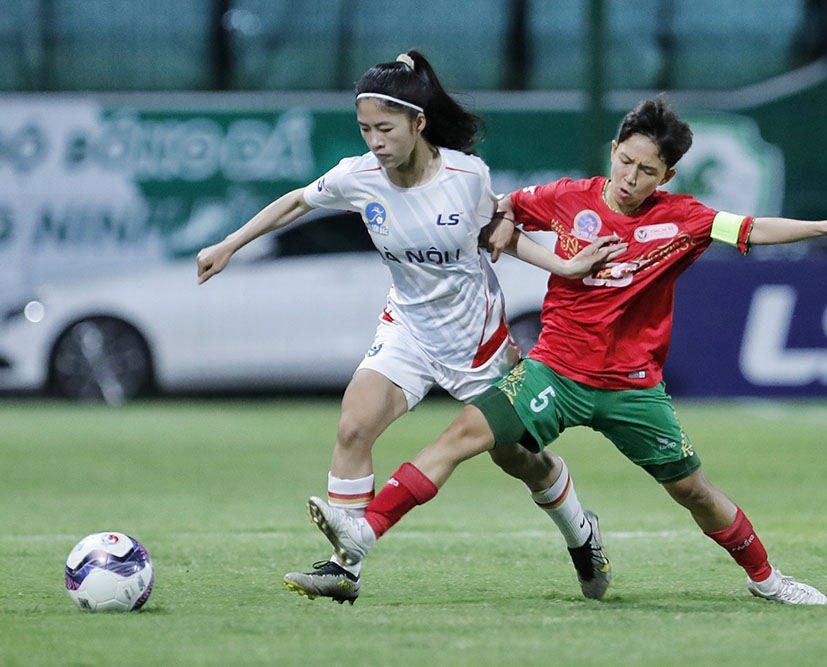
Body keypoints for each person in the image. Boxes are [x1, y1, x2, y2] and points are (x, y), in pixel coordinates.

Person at [305, 94, 827, 605]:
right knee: (460, 438)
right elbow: (498, 203)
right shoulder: (566, 198)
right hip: (552, 372)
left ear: (668, 176)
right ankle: (363, 535)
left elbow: (753, 229)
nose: (631, 177)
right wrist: (505, 221)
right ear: (613, 149)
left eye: (647, 171)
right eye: (625, 161)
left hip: (632, 387)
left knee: (693, 491)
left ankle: (768, 579)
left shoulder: (684, 220)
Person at [196, 51, 625, 604]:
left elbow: (502, 232)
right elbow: (296, 203)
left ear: (418, 123)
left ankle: (580, 533)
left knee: (518, 458)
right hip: (409, 330)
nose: (375, 141)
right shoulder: (358, 177)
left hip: (478, 341)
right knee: (354, 424)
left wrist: (564, 265)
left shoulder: (466, 176)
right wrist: (230, 244)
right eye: (365, 129)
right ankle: (342, 567)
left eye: (385, 128)